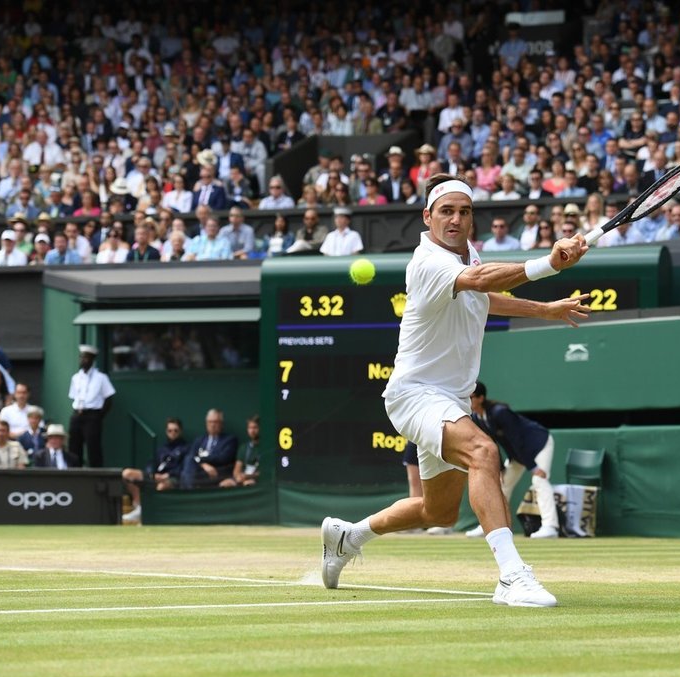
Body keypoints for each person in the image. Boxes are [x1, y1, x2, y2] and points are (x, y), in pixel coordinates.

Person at [320, 174, 591, 608]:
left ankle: (348, 537)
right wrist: (550, 265)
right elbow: (482, 282)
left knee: (437, 511)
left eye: (464, 211)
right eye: (446, 211)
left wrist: (546, 309)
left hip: (451, 399)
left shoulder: (468, 256)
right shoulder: (427, 261)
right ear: (427, 218)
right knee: (484, 452)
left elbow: (484, 296)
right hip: (414, 394)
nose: (456, 219)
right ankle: (512, 576)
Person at [465, 381, 560, 540]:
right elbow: (492, 444)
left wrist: (534, 467)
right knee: (500, 485)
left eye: (471, 397)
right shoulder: (477, 417)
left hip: (538, 444)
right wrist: (500, 469)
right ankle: (490, 527)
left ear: (481, 398)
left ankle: (550, 527)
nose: (468, 401)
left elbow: (517, 440)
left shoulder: (500, 412)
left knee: (539, 480)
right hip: (518, 453)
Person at [121, 417, 189, 523]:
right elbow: (152, 462)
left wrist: (167, 475)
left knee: (161, 486)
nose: (173, 433)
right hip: (155, 476)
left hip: (172, 478)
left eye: (176, 430)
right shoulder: (162, 448)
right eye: (170, 430)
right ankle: (139, 508)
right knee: (127, 474)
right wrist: (152, 474)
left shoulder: (186, 448)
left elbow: (184, 467)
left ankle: (149, 515)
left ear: (180, 431)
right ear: (166, 431)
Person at [68, 344, 116, 468]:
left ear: (92, 359)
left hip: (93, 415)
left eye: (86, 358)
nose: (83, 360)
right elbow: (73, 396)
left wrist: (99, 416)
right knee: (74, 446)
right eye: (81, 357)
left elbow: (109, 398)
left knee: (93, 447)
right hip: (77, 413)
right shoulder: (76, 378)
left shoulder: (101, 378)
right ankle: (74, 472)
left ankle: (96, 473)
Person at [181, 408, 238, 489]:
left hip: (217, 472)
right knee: (188, 461)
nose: (212, 425)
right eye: (210, 422)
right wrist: (204, 465)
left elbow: (223, 458)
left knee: (186, 472)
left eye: (215, 422)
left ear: (221, 424)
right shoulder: (199, 440)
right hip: (199, 472)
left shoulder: (230, 440)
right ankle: (190, 490)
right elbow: (191, 456)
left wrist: (200, 459)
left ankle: (189, 493)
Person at [221, 414, 260, 487]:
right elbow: (237, 469)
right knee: (224, 484)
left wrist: (248, 477)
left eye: (255, 427)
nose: (252, 431)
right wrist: (238, 477)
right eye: (250, 428)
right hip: (242, 478)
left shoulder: (268, 447)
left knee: (248, 484)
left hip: (256, 480)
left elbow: (265, 473)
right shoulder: (243, 447)